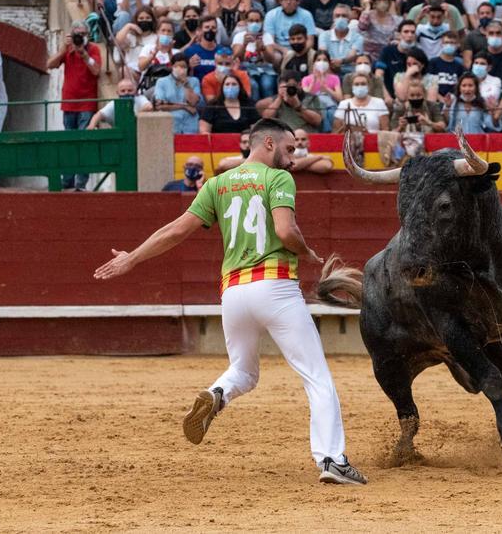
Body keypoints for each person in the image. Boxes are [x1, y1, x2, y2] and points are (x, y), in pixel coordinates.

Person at [93, 118, 367, 486]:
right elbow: (285, 231)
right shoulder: (278, 179)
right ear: (268, 143)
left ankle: (216, 393)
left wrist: (133, 257)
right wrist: (307, 251)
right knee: (316, 377)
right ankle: (332, 459)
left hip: (233, 293)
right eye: (288, 149)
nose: (292, 157)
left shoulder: (218, 184)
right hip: (275, 287)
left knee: (244, 371)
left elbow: (175, 231)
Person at [46, 20, 104, 190]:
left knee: (84, 142)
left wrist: (84, 54)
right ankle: (67, 179)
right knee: (69, 143)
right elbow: (50, 65)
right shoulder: (68, 50)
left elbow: (96, 70)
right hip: (69, 103)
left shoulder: (93, 49)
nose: (80, 38)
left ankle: (80, 183)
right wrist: (64, 50)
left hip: (86, 103)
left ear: (88, 35)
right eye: (77, 34)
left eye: (83, 34)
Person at [154, 53, 203, 134]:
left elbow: (193, 102)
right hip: (171, 125)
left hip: (190, 126)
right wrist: (184, 106)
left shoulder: (194, 81)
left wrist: (186, 85)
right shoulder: (162, 82)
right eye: (177, 66)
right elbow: (160, 105)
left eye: (183, 67)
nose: (180, 69)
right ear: (172, 67)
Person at [89, 78, 154, 129]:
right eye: (123, 91)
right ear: (117, 93)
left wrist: (132, 116)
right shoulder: (113, 104)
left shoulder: (140, 99)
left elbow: (149, 107)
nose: (126, 93)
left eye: (130, 90)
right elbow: (98, 115)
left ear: (136, 92)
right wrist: (91, 126)